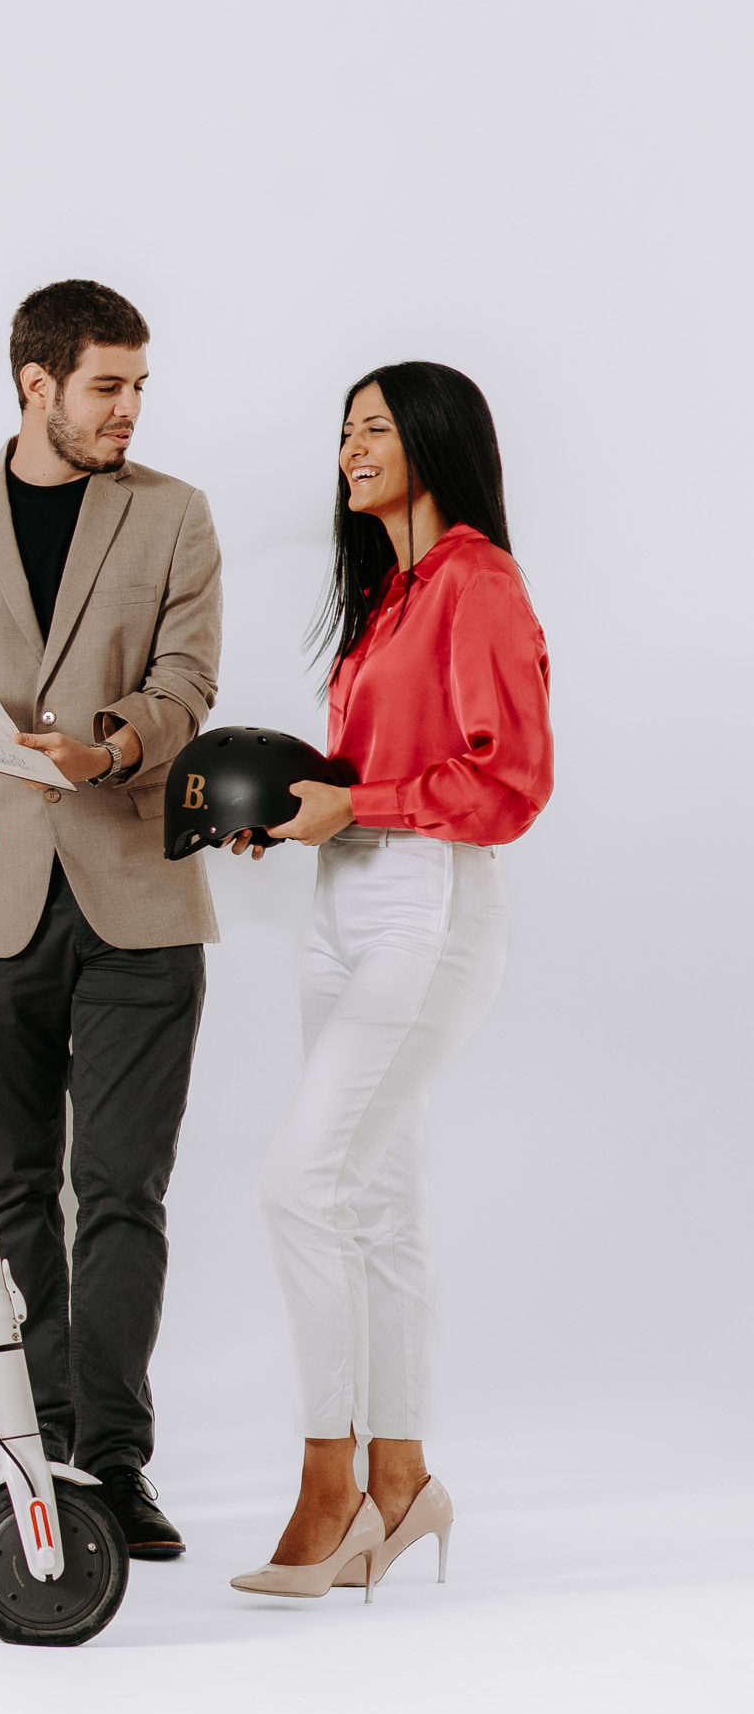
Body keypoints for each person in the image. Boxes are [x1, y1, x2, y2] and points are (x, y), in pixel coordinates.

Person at [0, 279, 221, 1561]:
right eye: (107, 386)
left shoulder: (175, 514)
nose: (128, 408)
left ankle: (115, 1462)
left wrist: (116, 743)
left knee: (121, 1189)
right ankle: (47, 1446)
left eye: (138, 387)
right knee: (8, 1196)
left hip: (138, 887)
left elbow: (186, 682)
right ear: (36, 381)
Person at [226, 363, 547, 1600]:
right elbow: (363, 767)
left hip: (430, 899)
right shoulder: (389, 597)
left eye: (373, 426)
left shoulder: (476, 579)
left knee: (300, 1184)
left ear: (432, 438)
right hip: (345, 898)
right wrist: (286, 807)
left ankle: (330, 1483)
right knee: (374, 1202)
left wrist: (353, 803)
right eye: (344, 429)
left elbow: (509, 780)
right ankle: (404, 1478)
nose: (351, 446)